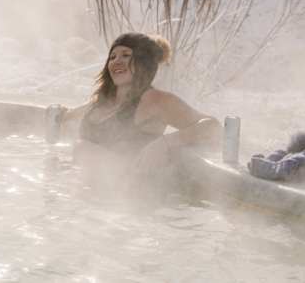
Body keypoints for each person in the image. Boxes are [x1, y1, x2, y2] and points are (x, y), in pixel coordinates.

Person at [63, 33, 219, 178]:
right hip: (85, 189)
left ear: (144, 63)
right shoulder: (104, 101)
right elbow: (68, 117)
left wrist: (165, 143)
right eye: (112, 57)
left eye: (126, 55)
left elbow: (213, 127)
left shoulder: (154, 100)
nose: (117, 61)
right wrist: (60, 117)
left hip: (126, 194)